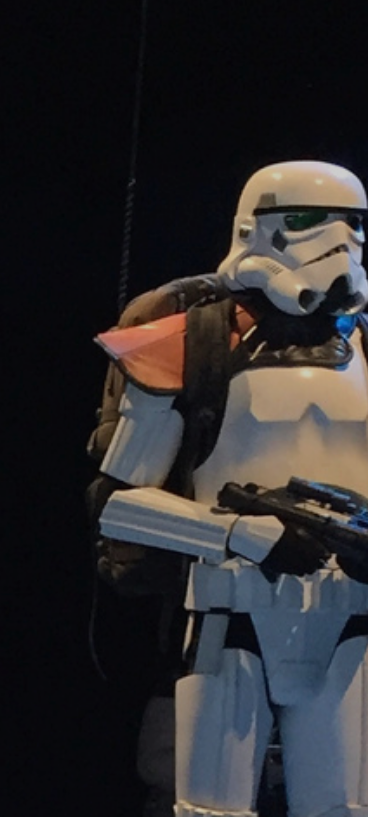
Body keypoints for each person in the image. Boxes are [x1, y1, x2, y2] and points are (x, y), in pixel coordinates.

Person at [94, 159, 368, 817]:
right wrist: (241, 533)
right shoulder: (194, 340)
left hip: (349, 613)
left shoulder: (361, 346)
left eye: (354, 224)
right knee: (210, 808)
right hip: (230, 605)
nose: (340, 241)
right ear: (257, 228)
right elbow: (116, 506)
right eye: (309, 220)